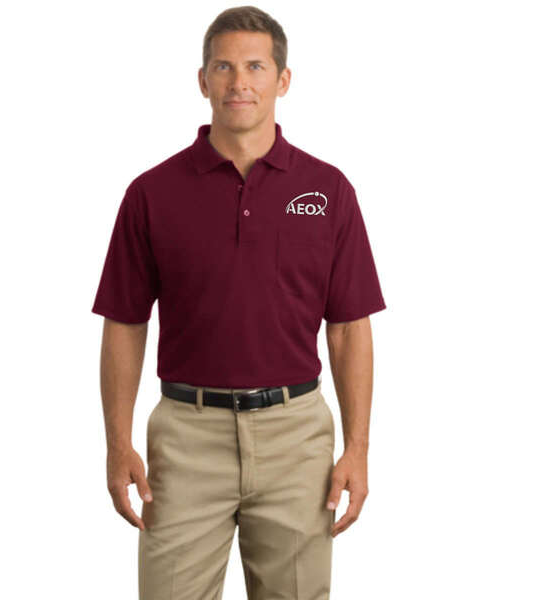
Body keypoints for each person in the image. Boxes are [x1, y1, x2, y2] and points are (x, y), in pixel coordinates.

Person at [91, 6, 386, 599]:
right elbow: (125, 323)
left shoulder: (328, 190)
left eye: (255, 66)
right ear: (202, 81)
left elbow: (349, 328)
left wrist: (357, 448)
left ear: (283, 80)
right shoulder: (151, 193)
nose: (239, 82)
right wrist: (118, 443)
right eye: (223, 67)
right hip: (185, 439)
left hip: (297, 439)